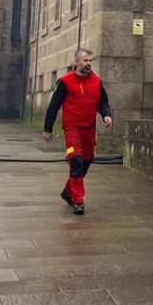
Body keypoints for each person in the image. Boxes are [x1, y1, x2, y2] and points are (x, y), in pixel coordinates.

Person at [43, 49, 112, 215]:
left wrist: (106, 115)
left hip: (89, 128)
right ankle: (78, 200)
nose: (88, 63)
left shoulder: (96, 81)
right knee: (76, 160)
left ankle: (68, 191)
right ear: (76, 62)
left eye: (90, 61)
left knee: (86, 161)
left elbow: (103, 102)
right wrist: (47, 128)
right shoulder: (65, 81)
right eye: (85, 60)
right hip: (72, 128)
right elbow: (53, 106)